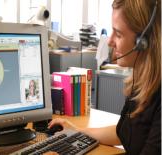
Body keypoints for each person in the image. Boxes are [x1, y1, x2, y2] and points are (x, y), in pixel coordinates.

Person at [47, 0, 161, 154]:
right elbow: (123, 133)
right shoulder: (143, 83)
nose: (110, 40)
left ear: (143, 42)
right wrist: (76, 130)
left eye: (118, 34)